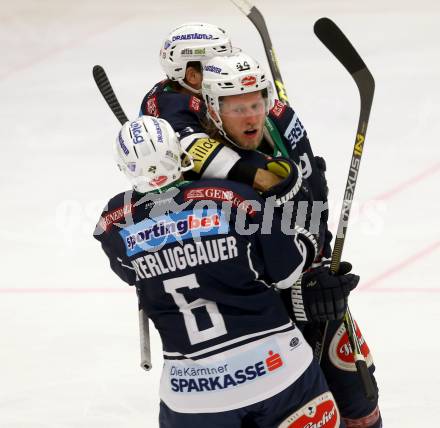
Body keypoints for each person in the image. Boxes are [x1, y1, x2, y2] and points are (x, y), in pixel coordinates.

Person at [93, 115, 360, 427]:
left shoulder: (112, 223)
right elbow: (289, 271)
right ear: (179, 153)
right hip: (278, 372)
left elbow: (130, 272)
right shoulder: (236, 198)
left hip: (190, 397)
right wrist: (301, 211)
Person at [199, 51, 382, 427]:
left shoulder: (282, 121)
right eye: (237, 109)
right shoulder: (204, 171)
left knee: (361, 404)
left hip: (310, 284)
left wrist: (321, 271)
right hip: (260, 323)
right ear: (214, 111)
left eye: (256, 103)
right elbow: (230, 265)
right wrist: (300, 291)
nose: (252, 116)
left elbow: (313, 202)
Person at [139, 22, 297, 200]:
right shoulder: (168, 104)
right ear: (192, 76)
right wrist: (266, 179)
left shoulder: (190, 91)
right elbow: (195, 149)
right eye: (216, 63)